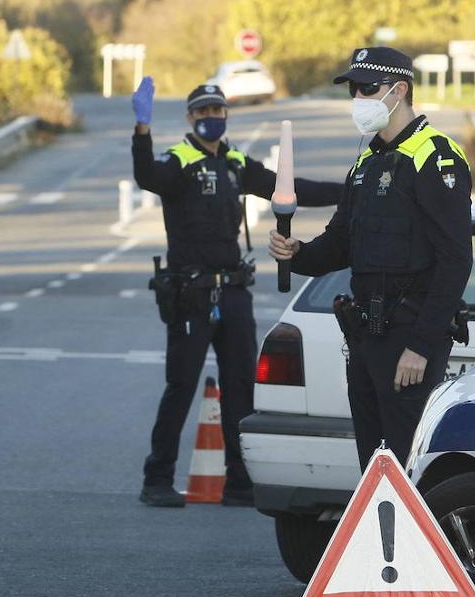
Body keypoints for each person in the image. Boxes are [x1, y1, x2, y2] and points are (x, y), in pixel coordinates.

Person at [132, 76, 343, 508]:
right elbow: (147, 176)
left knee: (241, 388)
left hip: (233, 290)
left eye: (217, 111)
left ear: (226, 115)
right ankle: (157, 478)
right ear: (191, 118)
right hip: (192, 292)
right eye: (203, 112)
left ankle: (240, 483)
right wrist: (142, 131)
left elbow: (289, 189)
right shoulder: (179, 161)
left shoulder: (234, 163)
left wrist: (350, 192)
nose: (211, 118)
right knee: (182, 385)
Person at [268, 46, 472, 468]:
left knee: (405, 469)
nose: (358, 99)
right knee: (373, 467)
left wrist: (420, 346)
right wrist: (298, 253)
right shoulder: (365, 163)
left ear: (399, 90)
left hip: (408, 343)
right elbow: (340, 244)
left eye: (367, 89)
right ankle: (381, 538)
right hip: (365, 339)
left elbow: (456, 260)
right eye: (353, 91)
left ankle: (410, 538)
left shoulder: (435, 158)